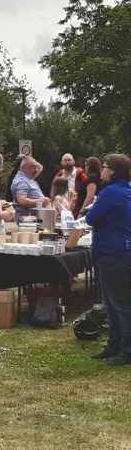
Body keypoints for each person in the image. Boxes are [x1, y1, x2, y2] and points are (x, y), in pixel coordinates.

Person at [84, 154, 131, 365]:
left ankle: (126, 351)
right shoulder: (126, 190)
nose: (101, 171)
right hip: (122, 251)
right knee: (112, 304)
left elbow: (91, 218)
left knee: (119, 305)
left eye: (103, 167)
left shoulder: (110, 192)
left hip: (111, 253)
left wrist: (93, 208)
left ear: (111, 170)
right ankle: (114, 347)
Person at [11, 156, 47, 221]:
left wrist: (26, 157)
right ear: (24, 168)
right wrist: (42, 201)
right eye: (32, 167)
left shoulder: (29, 178)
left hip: (31, 220)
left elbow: (40, 167)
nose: (36, 169)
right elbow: (22, 201)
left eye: (36, 167)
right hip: (26, 222)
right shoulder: (22, 181)